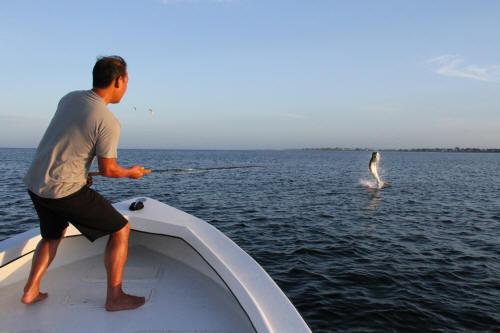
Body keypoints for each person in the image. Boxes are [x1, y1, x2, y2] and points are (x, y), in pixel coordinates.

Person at [21, 56, 146, 311]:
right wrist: (131, 173)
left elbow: (69, 142)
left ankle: (31, 290)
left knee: (51, 236)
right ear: (118, 80)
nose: (126, 87)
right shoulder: (107, 121)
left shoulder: (69, 98)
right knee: (121, 229)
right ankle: (115, 297)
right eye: (127, 81)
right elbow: (108, 170)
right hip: (63, 191)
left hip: (36, 183)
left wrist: (80, 173)